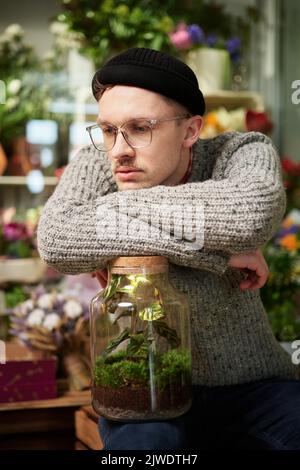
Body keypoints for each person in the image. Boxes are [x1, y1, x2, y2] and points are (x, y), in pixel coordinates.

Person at [37, 47, 300, 450]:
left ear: (191, 130)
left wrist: (105, 215)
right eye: (108, 130)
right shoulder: (96, 159)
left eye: (140, 127)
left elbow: (249, 215)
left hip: (254, 386)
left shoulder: (241, 152)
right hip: (143, 383)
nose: (119, 150)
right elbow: (57, 238)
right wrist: (213, 254)